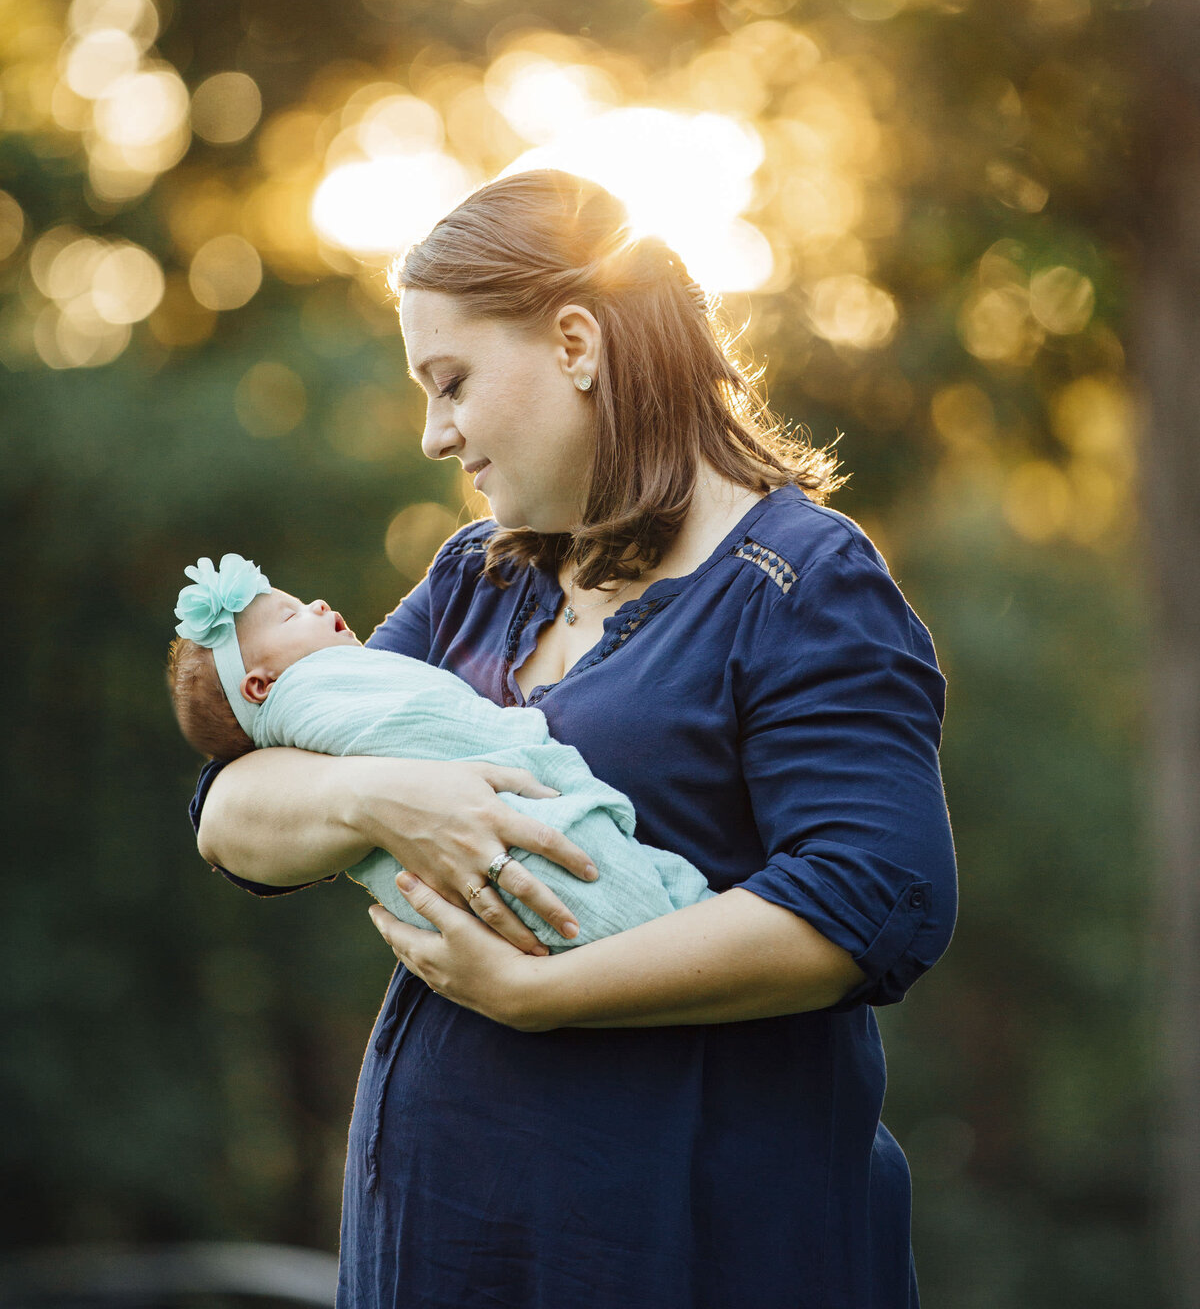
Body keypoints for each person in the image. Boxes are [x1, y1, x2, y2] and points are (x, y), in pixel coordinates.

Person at [193, 168, 957, 1309]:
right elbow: (229, 810)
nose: (433, 434)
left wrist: (545, 992)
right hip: (441, 1243)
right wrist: (383, 802)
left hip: (692, 1248)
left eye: (450, 382)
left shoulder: (802, 583)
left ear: (575, 343)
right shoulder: (478, 581)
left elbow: (875, 901)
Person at [168, 555, 714, 947]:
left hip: (656, 1028)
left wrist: (531, 995)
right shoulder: (467, 575)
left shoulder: (778, 575)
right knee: (644, 906)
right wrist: (386, 798)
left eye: (455, 388)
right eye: (291, 616)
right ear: (261, 688)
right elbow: (220, 818)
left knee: (662, 910)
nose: (317, 604)